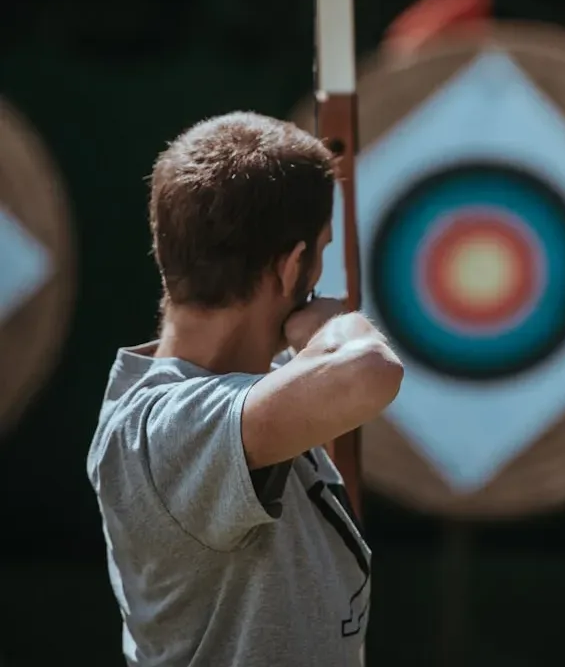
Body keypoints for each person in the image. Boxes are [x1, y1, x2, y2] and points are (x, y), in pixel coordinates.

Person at [87, 112, 404, 667]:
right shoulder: (162, 429)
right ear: (292, 267)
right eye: (320, 252)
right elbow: (368, 371)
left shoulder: (261, 385)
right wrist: (333, 325)